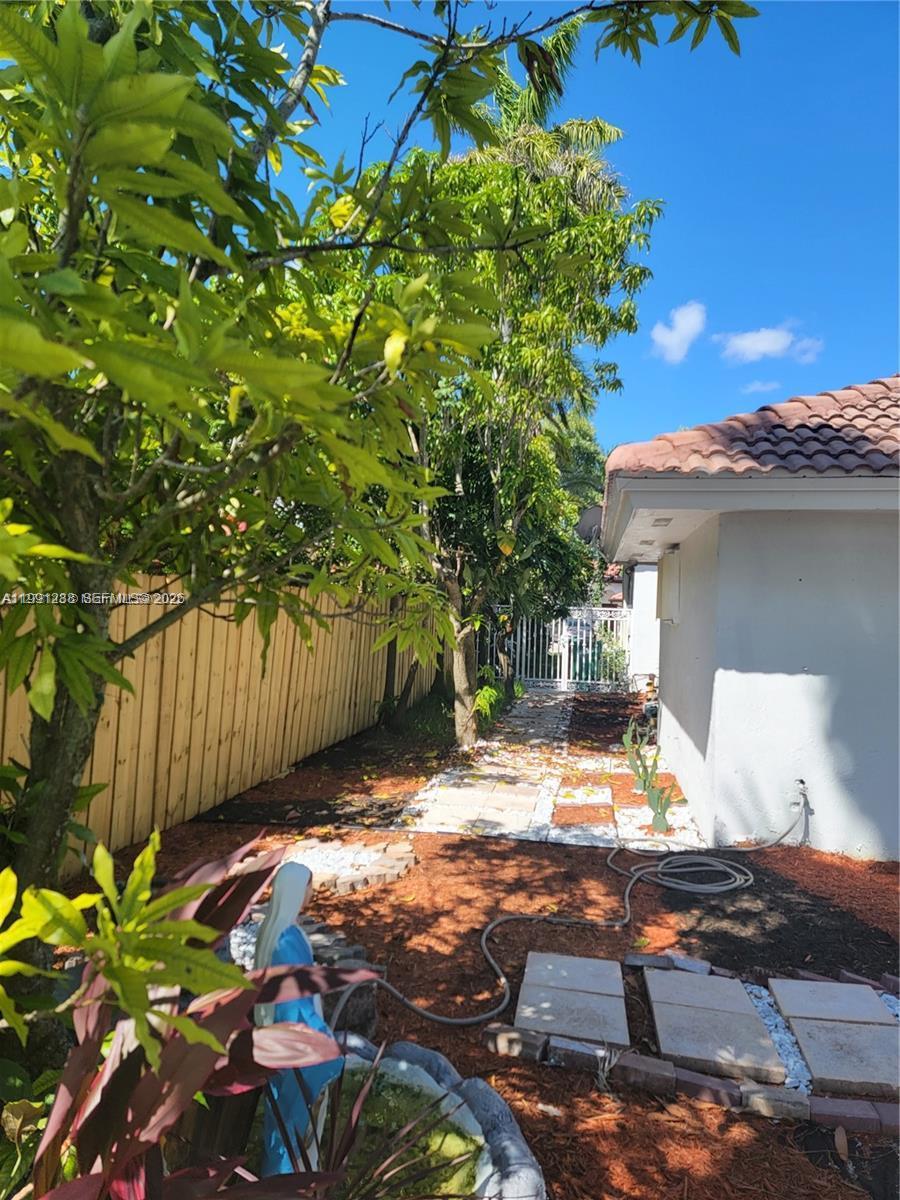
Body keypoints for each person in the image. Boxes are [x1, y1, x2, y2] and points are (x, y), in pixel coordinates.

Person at [254, 861, 343, 1174]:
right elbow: (297, 1005)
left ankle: (277, 1179)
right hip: (295, 1047)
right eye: (308, 885)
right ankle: (288, 1183)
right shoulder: (287, 941)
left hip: (274, 1041)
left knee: (280, 1117)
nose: (312, 891)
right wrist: (325, 1045)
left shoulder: (274, 932)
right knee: (295, 1121)